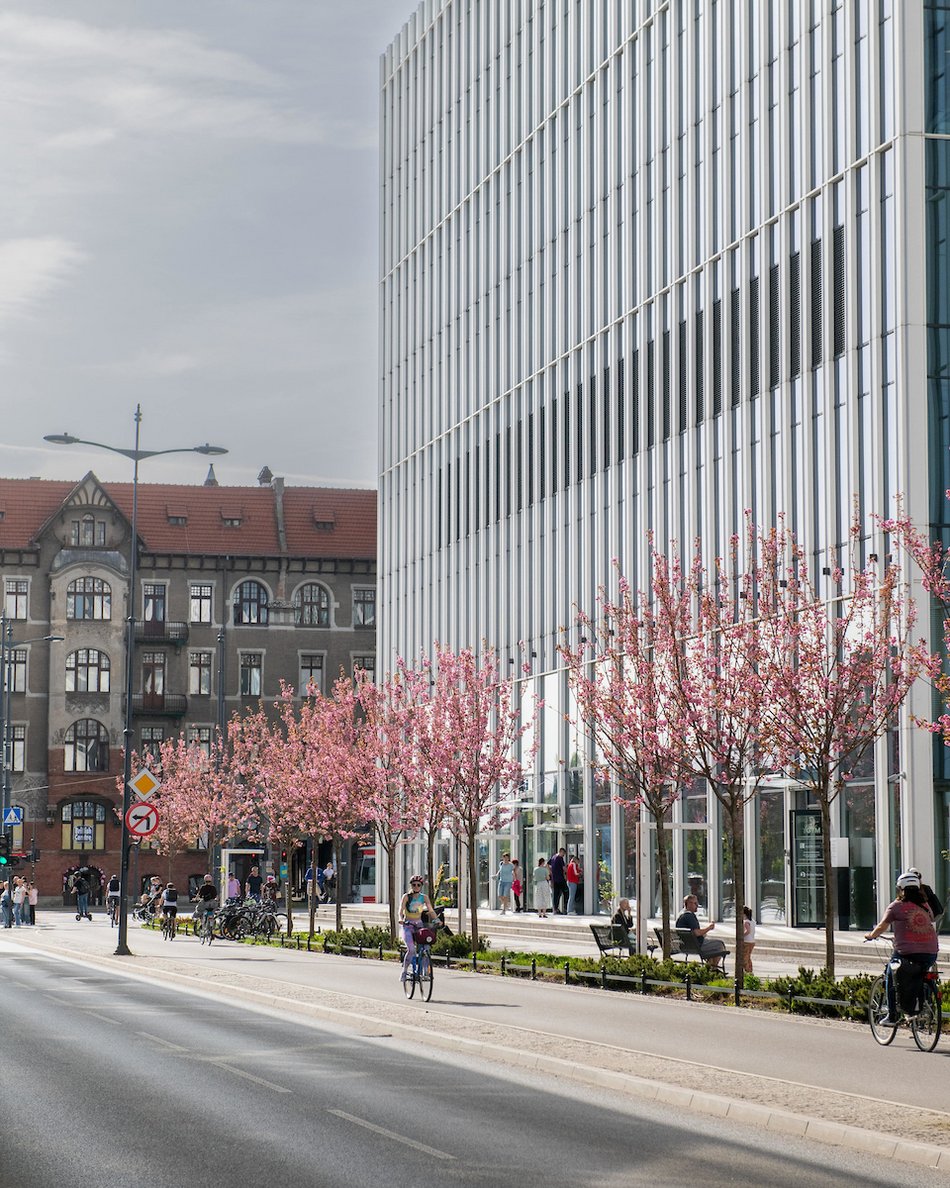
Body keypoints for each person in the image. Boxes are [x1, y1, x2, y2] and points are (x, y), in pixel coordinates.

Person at [865, 871, 938, 1024]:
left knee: (891, 975)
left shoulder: (896, 907)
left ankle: (892, 1015)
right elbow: (927, 920)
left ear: (900, 889)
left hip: (907, 953)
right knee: (920, 974)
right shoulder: (925, 906)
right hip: (931, 952)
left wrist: (871, 935)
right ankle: (923, 1003)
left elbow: (882, 926)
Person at [398, 875, 439, 982]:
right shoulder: (406, 897)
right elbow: (401, 910)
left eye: (418, 885)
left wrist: (437, 920)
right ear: (411, 885)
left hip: (419, 925)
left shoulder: (424, 897)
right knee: (411, 950)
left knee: (426, 948)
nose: (416, 887)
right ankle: (404, 971)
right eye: (414, 885)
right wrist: (400, 918)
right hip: (408, 925)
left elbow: (431, 910)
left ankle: (426, 971)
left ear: (421, 886)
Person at [675, 894, 727, 968]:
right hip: (697, 945)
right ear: (689, 904)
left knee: (713, 945)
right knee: (719, 944)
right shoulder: (689, 916)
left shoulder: (680, 915)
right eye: (695, 903)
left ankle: (710, 967)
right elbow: (697, 932)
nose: (697, 905)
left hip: (685, 945)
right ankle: (712, 968)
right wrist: (709, 928)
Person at [549, 847, 568, 914]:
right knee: (566, 892)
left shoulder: (553, 857)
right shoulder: (560, 858)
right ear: (561, 852)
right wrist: (568, 872)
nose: (563, 855)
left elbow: (547, 865)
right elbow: (564, 868)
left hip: (555, 879)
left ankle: (555, 909)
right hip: (560, 879)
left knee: (556, 894)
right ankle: (566, 908)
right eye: (563, 854)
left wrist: (551, 872)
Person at [742, 906, 756, 974]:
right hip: (752, 941)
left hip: (746, 941)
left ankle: (747, 971)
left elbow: (748, 931)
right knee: (748, 956)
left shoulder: (746, 922)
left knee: (744, 957)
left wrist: (741, 936)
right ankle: (750, 970)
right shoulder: (752, 921)